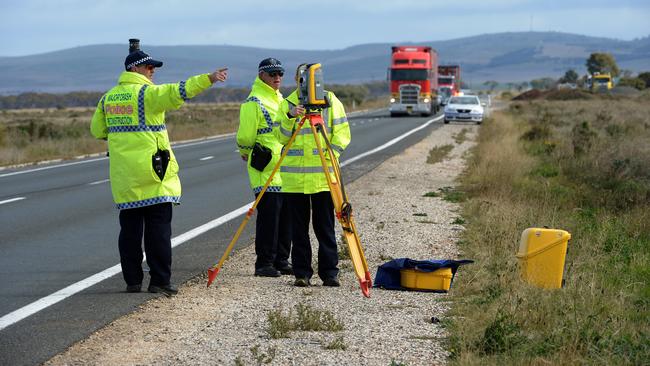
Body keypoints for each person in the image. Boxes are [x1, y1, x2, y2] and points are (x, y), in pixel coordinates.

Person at [90, 39, 228, 296]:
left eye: (153, 67)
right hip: (155, 174)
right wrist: (208, 79)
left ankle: (132, 281)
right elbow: (178, 91)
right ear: (135, 69)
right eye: (148, 67)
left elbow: (97, 130)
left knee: (129, 232)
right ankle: (160, 281)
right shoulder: (148, 94)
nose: (153, 70)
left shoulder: (107, 98)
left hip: (125, 177)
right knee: (158, 232)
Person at [274, 64, 351, 287]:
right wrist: (290, 116)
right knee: (299, 231)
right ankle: (302, 274)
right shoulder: (288, 104)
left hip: (323, 178)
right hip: (295, 180)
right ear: (298, 80)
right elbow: (280, 138)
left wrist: (331, 156)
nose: (306, 83)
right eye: (303, 79)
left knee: (325, 228)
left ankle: (330, 273)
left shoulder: (330, 100)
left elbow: (343, 133)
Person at [237, 58, 292, 277]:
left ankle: (282, 259)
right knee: (269, 219)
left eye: (280, 73)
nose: (277, 77)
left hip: (284, 168)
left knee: (285, 218)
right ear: (262, 76)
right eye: (272, 74)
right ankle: (264, 264)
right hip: (265, 167)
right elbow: (246, 135)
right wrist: (245, 149)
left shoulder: (281, 99)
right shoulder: (254, 101)